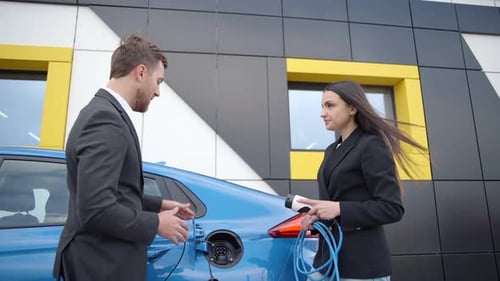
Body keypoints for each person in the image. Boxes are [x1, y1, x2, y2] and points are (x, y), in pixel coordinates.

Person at [53, 34, 195, 281]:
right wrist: (155, 223)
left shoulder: (104, 112)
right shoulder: (105, 119)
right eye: (158, 81)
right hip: (100, 266)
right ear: (140, 72)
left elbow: (113, 192)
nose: (158, 92)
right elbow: (96, 209)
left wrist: (160, 205)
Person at [298, 80, 427, 281]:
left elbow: (392, 208)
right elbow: (336, 203)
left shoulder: (371, 146)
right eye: (322, 106)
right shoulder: (331, 150)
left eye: (330, 105)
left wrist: (339, 209)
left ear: (352, 108)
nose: (322, 113)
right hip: (326, 263)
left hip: (361, 267)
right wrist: (318, 219)